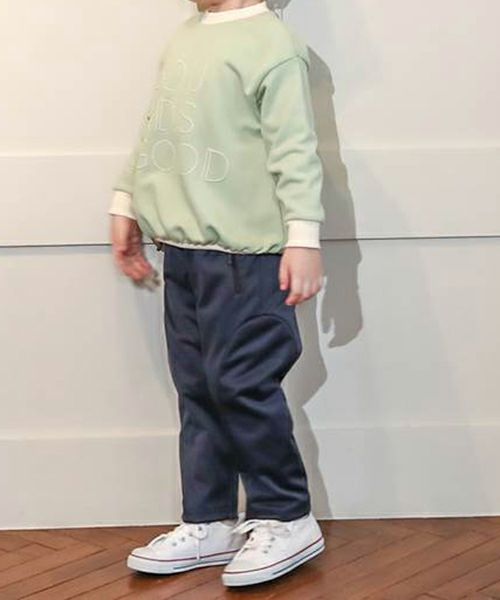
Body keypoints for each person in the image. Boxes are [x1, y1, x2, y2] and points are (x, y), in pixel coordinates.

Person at [108, 0, 326, 587]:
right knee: (198, 388)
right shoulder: (187, 36)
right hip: (183, 251)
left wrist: (303, 238)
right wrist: (127, 200)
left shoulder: (273, 45)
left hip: (248, 257)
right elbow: (158, 130)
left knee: (243, 384)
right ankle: (208, 519)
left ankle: (287, 515)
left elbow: (295, 149)